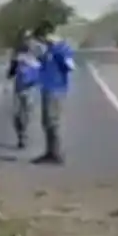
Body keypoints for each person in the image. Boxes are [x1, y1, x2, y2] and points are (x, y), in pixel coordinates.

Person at [32, 20, 75, 164]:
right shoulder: (49, 50)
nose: (41, 42)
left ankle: (56, 154)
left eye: (41, 39)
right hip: (47, 88)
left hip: (56, 89)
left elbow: (70, 66)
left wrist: (59, 55)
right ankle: (50, 152)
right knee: (46, 122)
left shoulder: (61, 48)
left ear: (48, 35)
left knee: (53, 121)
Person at [6, 32, 41, 149]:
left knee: (25, 113)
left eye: (29, 39)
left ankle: (23, 135)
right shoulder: (18, 56)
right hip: (20, 88)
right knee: (18, 114)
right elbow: (11, 72)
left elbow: (41, 71)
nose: (27, 42)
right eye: (26, 39)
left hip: (30, 88)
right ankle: (21, 136)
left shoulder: (37, 54)